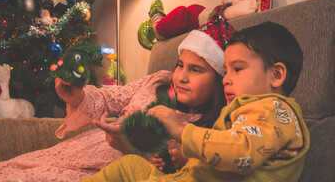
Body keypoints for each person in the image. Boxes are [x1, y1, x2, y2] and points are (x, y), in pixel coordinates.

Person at [0, 3, 239, 181]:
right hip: (78, 150)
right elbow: (111, 97)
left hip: (104, 172)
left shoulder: (206, 130)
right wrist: (78, 96)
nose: (181, 75)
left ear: (219, 80)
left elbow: (170, 174)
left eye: (196, 70)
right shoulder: (160, 81)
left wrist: (133, 149)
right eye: (181, 64)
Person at [79, 21, 310, 182]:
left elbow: (242, 152)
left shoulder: (275, 111)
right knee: (128, 166)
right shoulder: (247, 112)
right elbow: (223, 154)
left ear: (276, 75)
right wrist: (187, 158)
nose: (226, 80)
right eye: (226, 71)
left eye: (237, 69)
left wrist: (181, 130)